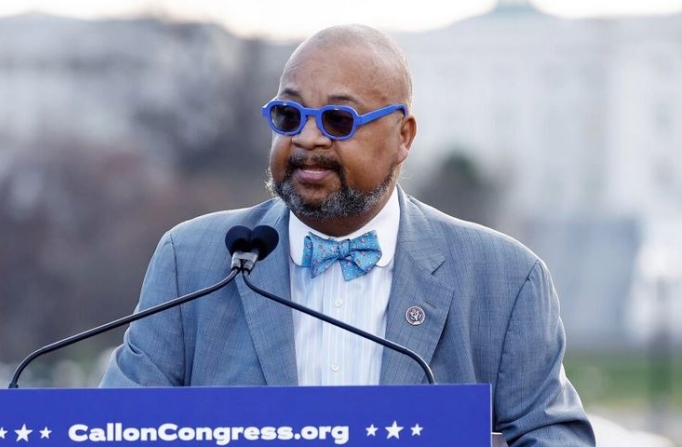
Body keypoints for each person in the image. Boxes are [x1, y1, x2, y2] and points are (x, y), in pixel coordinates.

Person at [101, 24, 595, 446]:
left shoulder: (506, 279)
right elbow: (114, 428)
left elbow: (554, 437)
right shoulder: (190, 261)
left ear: (403, 136)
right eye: (289, 116)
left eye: (339, 120)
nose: (308, 138)